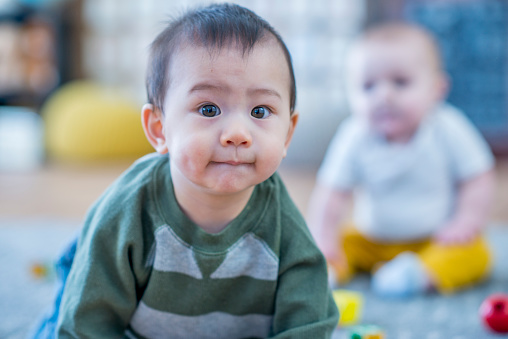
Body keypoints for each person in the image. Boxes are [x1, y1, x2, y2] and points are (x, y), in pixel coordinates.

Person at [33, 4, 339, 338]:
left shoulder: (283, 221)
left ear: (287, 135)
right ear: (159, 129)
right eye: (209, 109)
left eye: (260, 110)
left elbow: (310, 321)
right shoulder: (127, 211)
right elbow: (86, 324)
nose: (238, 132)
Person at [307, 22, 495, 298]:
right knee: (341, 243)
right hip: (371, 239)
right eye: (368, 86)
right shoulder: (354, 135)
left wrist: (465, 221)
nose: (384, 95)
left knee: (476, 252)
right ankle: (325, 270)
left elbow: (478, 176)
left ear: (437, 90)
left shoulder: (447, 126)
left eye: (400, 82)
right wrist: (323, 239)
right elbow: (331, 193)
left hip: (433, 239)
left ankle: (418, 275)